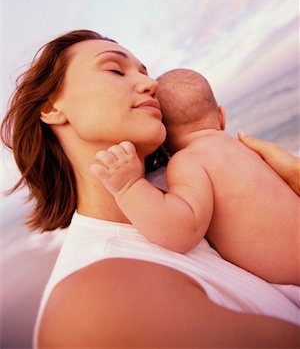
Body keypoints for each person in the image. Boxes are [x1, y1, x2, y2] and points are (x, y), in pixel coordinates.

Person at [1, 31, 299, 348]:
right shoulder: (97, 306)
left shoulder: (188, 183)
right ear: (51, 107)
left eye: (145, 72)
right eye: (115, 70)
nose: (151, 84)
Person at [91, 68, 299, 286]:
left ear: (163, 138)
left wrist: (129, 186)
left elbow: (181, 229)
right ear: (221, 116)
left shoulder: (188, 161)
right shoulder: (246, 149)